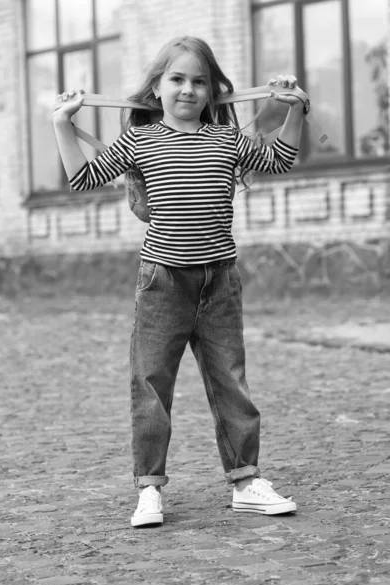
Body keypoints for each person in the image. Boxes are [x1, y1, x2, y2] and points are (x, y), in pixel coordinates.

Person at [53, 36, 305, 528]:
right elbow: (82, 178)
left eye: (199, 81)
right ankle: (149, 489)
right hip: (162, 284)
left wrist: (295, 109)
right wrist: (62, 122)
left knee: (230, 380)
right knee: (150, 385)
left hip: (219, 284)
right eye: (177, 79)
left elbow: (281, 160)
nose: (188, 90)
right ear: (157, 87)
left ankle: (246, 481)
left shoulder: (226, 139)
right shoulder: (140, 140)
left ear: (214, 91)